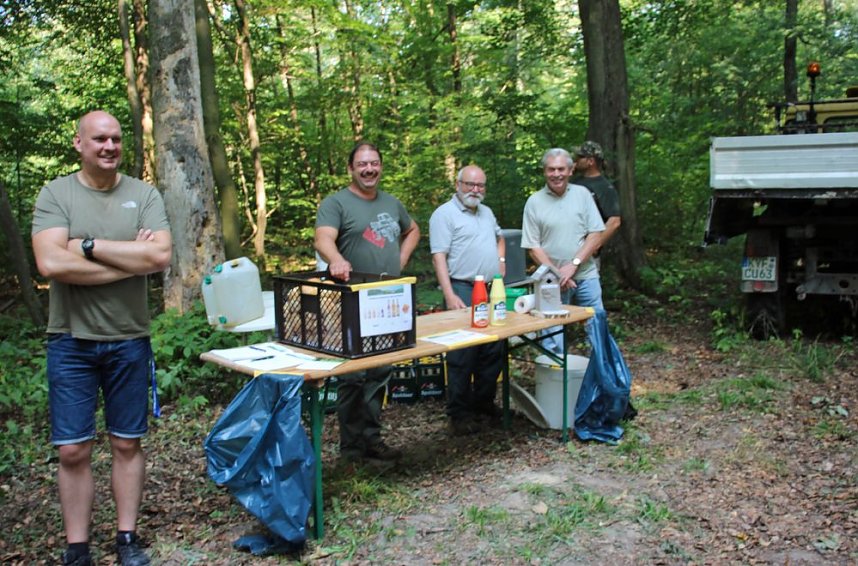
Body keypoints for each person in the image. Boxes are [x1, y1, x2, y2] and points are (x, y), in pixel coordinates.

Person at [31, 111, 172, 566]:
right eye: (99, 139)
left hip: (129, 336)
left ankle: (127, 538)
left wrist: (86, 246)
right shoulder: (57, 193)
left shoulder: (143, 194)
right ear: (79, 144)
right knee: (73, 448)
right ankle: (78, 548)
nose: (109, 146)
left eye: (115, 139)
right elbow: (50, 265)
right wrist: (130, 258)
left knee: (126, 442)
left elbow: (160, 256)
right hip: (70, 339)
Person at [314, 141, 420, 461]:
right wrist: (335, 259)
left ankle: (372, 438)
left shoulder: (391, 202)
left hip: (386, 301)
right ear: (351, 169)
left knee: (379, 372)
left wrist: (400, 260)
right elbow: (322, 238)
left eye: (374, 163)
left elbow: (412, 230)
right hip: (351, 301)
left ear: (381, 166)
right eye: (362, 164)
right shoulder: (337, 203)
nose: (369, 169)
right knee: (353, 376)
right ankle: (350, 449)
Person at [429, 165, 506, 435]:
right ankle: (459, 413)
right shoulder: (444, 215)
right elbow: (439, 256)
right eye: (470, 184)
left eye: (481, 185)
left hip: (489, 288)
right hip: (461, 288)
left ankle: (483, 404)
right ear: (457, 184)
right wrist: (449, 294)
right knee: (462, 352)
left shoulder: (486, 213)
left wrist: (501, 261)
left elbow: (500, 238)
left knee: (493, 349)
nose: (476, 190)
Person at [521, 148, 605, 355]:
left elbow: (595, 234)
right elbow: (533, 246)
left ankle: (601, 378)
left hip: (586, 276)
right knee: (552, 336)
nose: (556, 174)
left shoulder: (583, 195)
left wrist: (573, 265)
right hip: (551, 282)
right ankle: (556, 382)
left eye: (561, 169)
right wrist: (558, 274)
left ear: (570, 170)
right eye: (551, 169)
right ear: (544, 171)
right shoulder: (534, 202)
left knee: (597, 328)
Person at [572, 141, 622, 253]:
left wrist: (594, 245)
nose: (576, 160)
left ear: (590, 161)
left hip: (585, 249)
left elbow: (614, 221)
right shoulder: (574, 182)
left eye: (580, 157)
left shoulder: (605, 187)